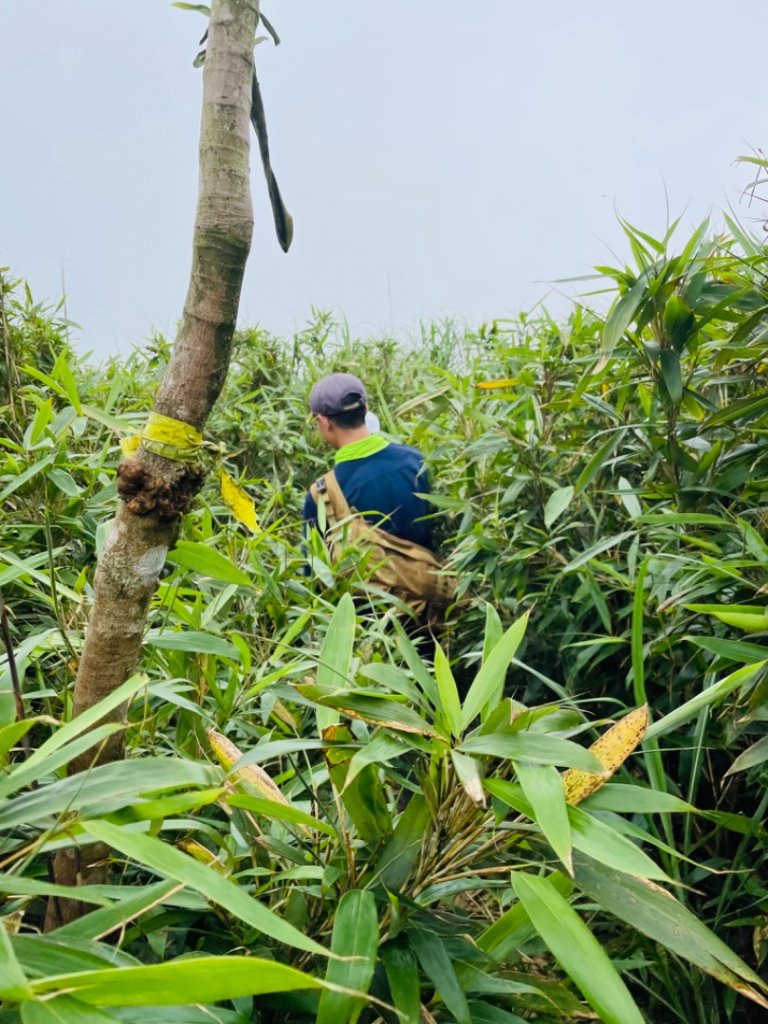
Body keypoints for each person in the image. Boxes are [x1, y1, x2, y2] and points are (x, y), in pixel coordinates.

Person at [303, 372, 434, 550]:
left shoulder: (322, 495)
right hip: (427, 576)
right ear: (365, 410)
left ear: (324, 422)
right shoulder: (416, 461)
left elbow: (314, 568)